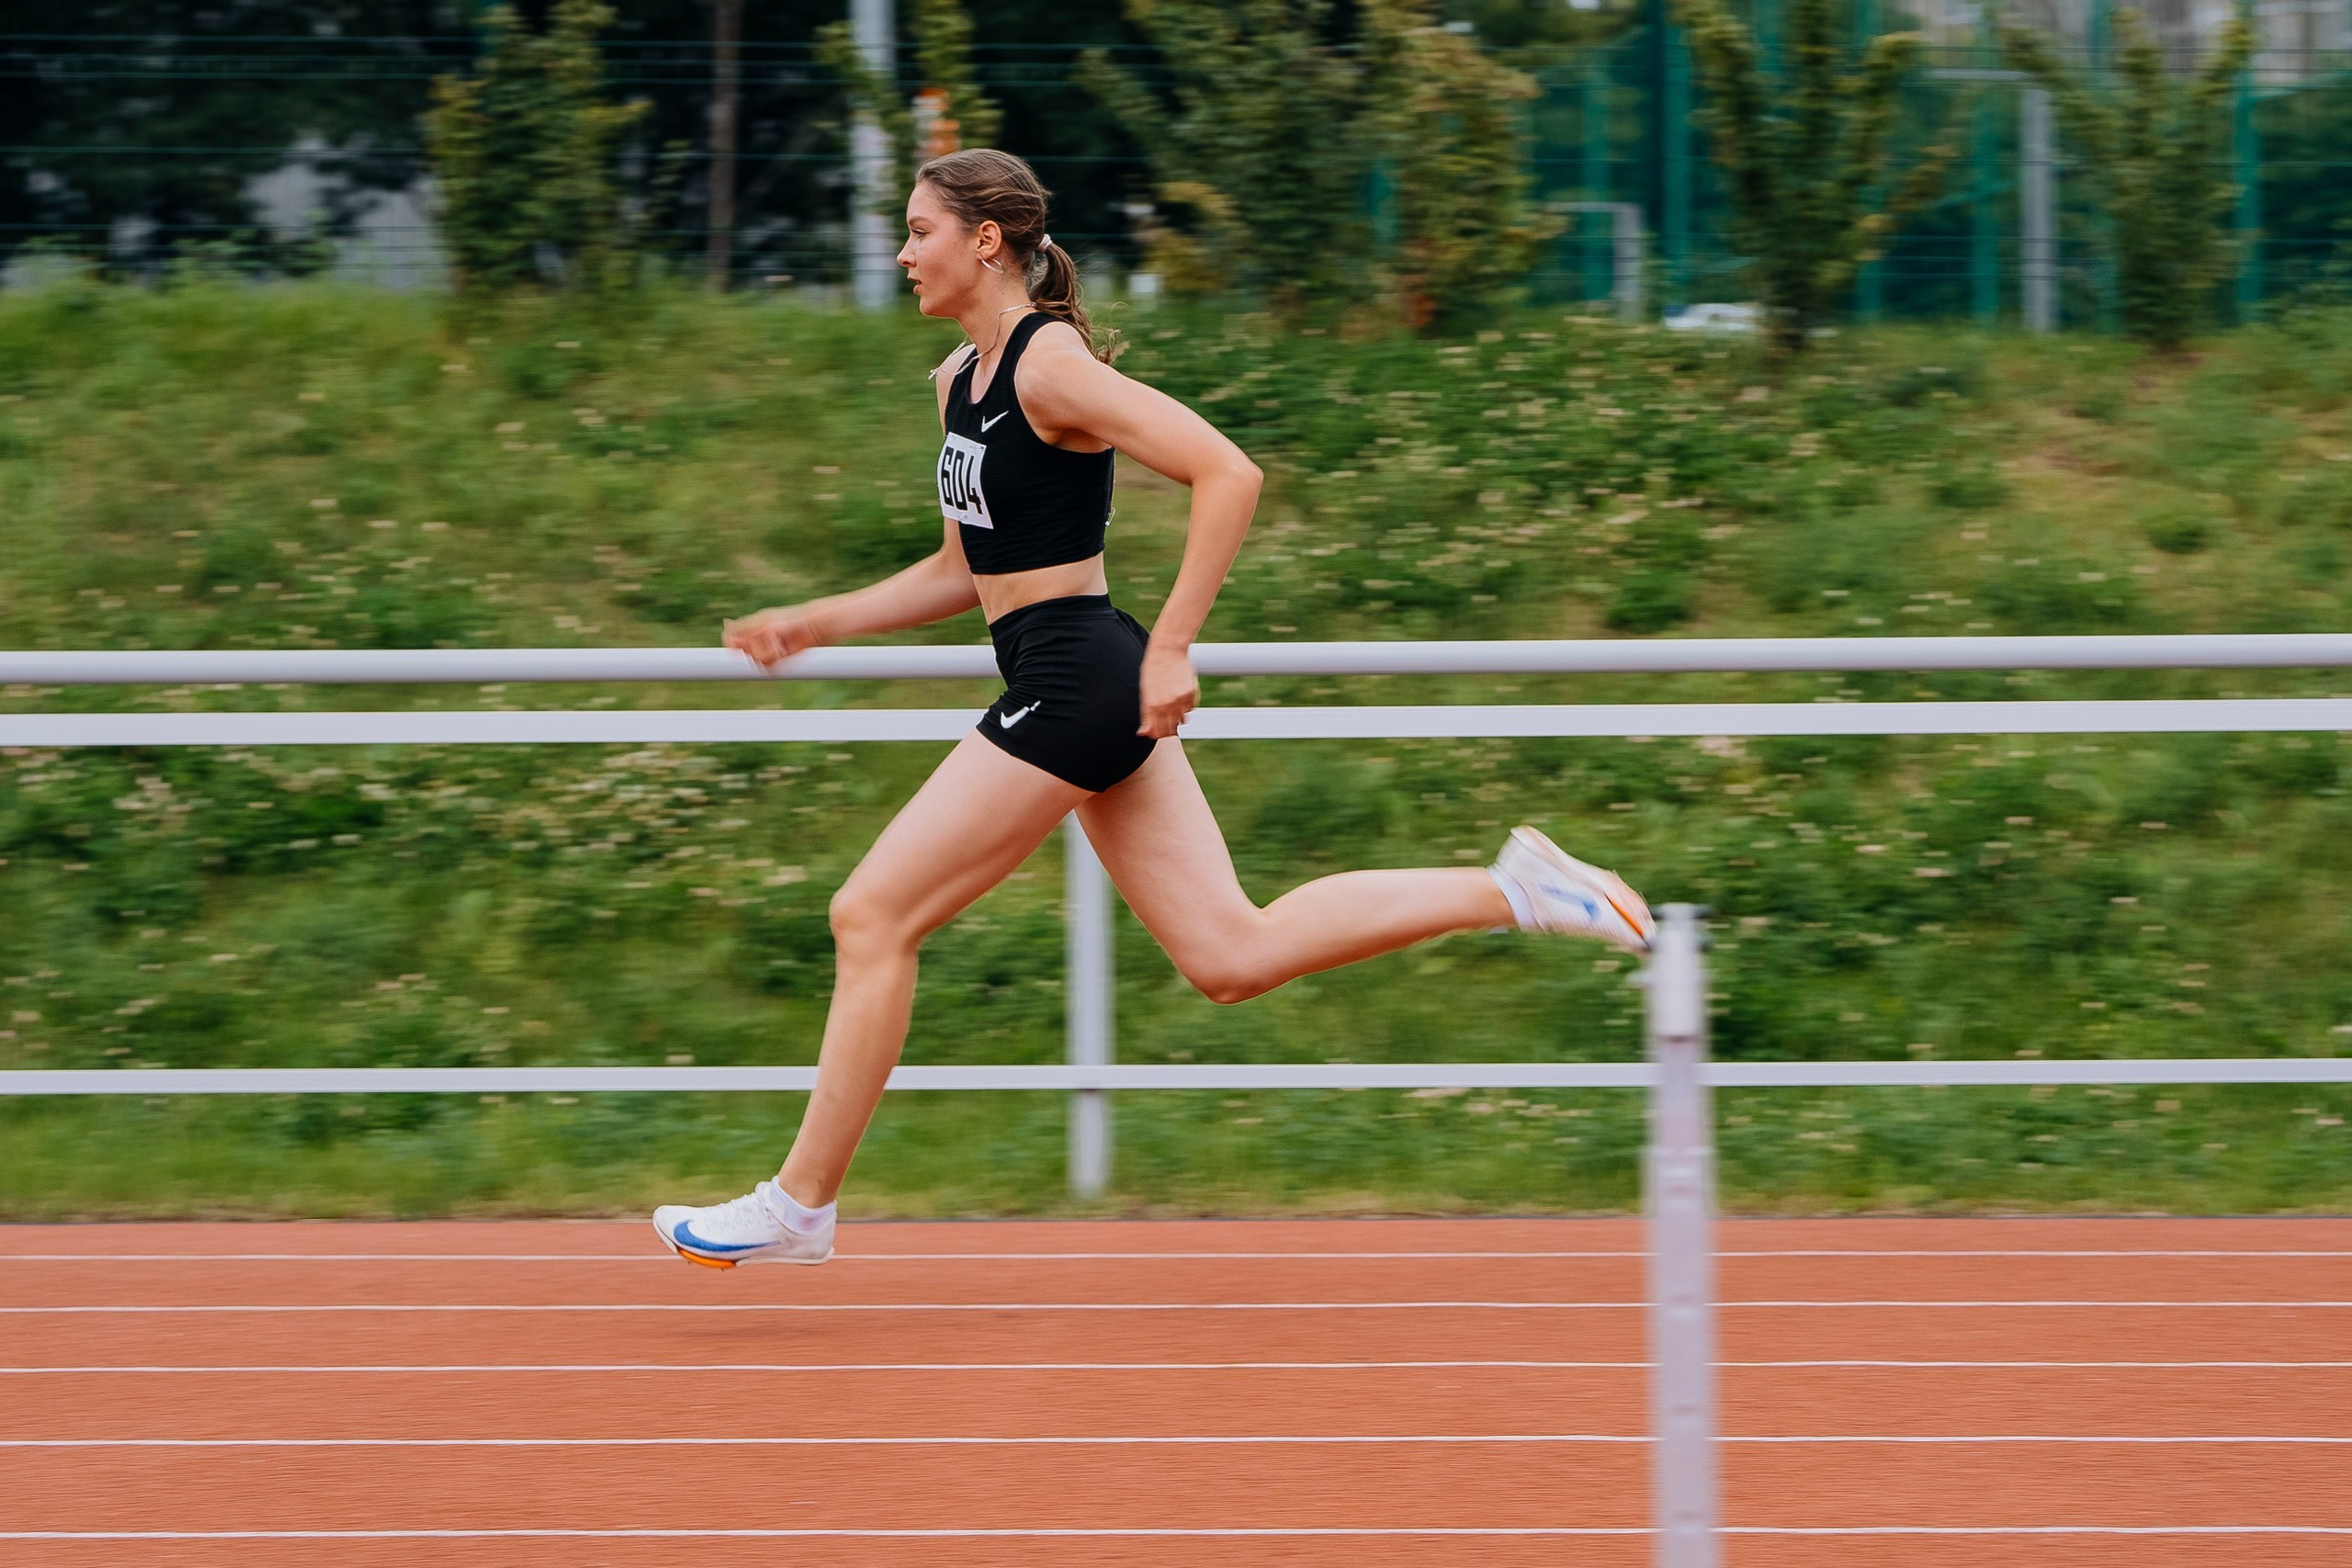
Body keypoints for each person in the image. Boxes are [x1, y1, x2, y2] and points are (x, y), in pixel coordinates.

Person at [652, 149, 1651, 1269]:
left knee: (871, 915)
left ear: (986, 239)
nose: (900, 252)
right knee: (1231, 953)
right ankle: (1513, 888)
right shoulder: (958, 378)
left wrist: (1173, 647)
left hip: (1081, 676)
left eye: (918, 230)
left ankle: (800, 1204)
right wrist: (816, 620)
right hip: (1065, 670)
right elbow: (961, 571)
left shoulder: (1050, 367)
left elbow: (1230, 473)